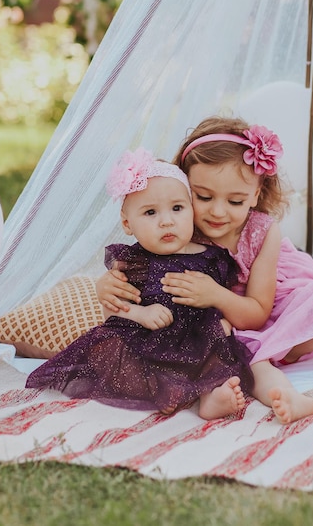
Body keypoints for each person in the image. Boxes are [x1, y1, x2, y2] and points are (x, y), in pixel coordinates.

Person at [96, 120, 313, 424]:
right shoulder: (175, 227)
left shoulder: (259, 233)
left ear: (256, 195)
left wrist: (214, 295)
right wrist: (106, 287)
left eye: (235, 201)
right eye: (203, 197)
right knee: (244, 359)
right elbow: (129, 281)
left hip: (256, 309)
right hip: (200, 331)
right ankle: (256, 398)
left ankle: (288, 392)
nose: (218, 212)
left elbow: (257, 312)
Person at [26, 147, 256, 420]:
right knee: (111, 349)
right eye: (150, 213)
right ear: (127, 223)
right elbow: (112, 311)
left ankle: (210, 398)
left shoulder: (213, 258)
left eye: (177, 208)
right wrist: (140, 314)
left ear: (191, 210)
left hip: (196, 339)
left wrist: (223, 321)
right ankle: (160, 391)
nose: (167, 221)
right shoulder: (133, 260)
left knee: (218, 353)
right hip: (146, 342)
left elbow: (224, 298)